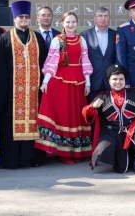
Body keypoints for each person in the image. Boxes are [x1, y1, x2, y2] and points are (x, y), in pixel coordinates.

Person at [0, 0, 48, 169]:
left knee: (34, 124)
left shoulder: (37, 38)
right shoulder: (5, 38)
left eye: (26, 17)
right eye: (20, 17)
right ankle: (11, 160)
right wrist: (2, 95)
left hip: (33, 93)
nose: (24, 19)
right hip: (11, 94)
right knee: (10, 126)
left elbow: (45, 64)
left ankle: (30, 159)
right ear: (14, 18)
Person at [82, 64, 135, 174]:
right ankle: (121, 159)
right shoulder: (102, 96)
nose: (118, 82)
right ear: (109, 81)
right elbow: (87, 115)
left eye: (121, 79)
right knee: (103, 152)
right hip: (112, 133)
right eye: (114, 79)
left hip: (133, 129)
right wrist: (92, 106)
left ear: (125, 80)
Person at [35, 11, 93, 164]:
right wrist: (46, 82)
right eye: (68, 22)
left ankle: (76, 152)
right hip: (60, 82)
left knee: (76, 115)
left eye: (73, 22)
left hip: (78, 81)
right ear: (62, 24)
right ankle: (64, 153)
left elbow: (85, 61)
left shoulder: (82, 40)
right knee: (64, 115)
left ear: (77, 23)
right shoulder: (57, 40)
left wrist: (88, 82)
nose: (71, 25)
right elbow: (51, 62)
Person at [81, 7, 117, 103]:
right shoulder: (84, 35)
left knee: (109, 113)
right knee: (92, 113)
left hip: (110, 81)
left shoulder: (116, 34)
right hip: (92, 81)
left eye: (106, 16)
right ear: (95, 18)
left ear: (109, 19)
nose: (103, 18)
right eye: (100, 16)